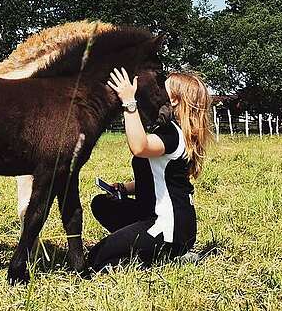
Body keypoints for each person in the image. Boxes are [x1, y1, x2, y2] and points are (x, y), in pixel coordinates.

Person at [87, 68, 212, 272]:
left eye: (163, 87)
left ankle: (166, 255)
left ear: (174, 100)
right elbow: (160, 179)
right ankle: (145, 245)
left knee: (97, 260)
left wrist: (129, 102)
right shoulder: (174, 132)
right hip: (158, 215)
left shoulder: (172, 134)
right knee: (102, 204)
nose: (157, 90)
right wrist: (124, 188)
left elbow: (139, 146)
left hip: (168, 225)